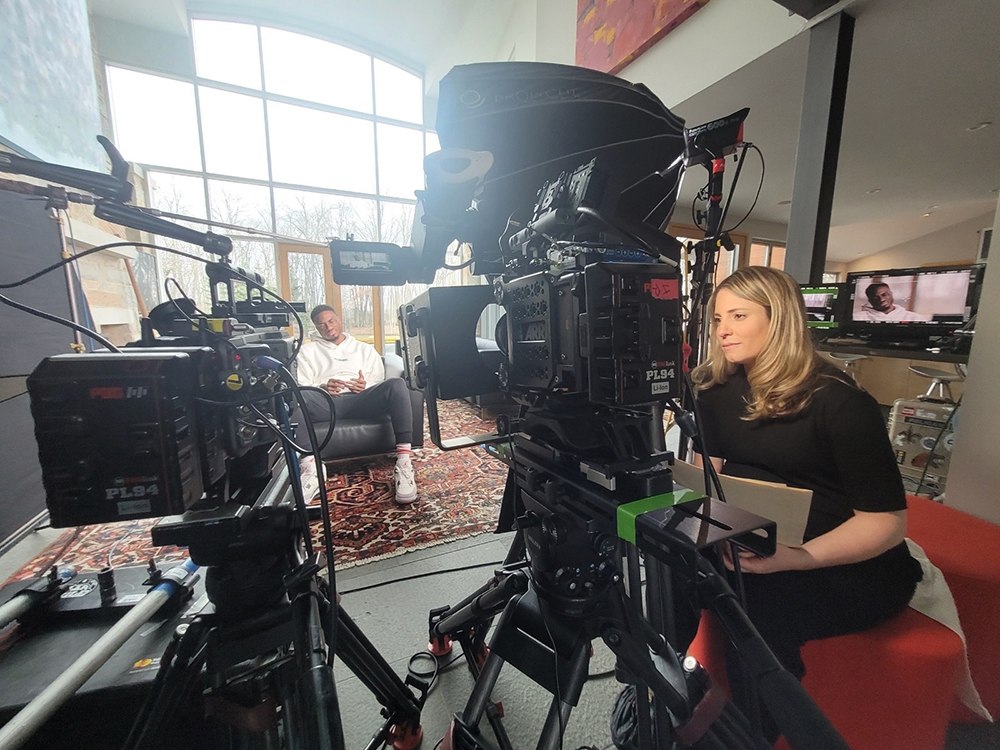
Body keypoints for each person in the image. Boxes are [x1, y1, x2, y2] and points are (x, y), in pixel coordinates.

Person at [690, 266, 922, 738]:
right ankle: (672, 701)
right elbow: (704, 477)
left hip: (846, 563)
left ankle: (756, 735)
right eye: (717, 319)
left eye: (738, 315)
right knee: (671, 572)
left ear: (779, 320)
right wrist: (708, 534)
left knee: (754, 608)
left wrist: (794, 560)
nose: (722, 330)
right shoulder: (715, 390)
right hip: (753, 538)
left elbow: (884, 525)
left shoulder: (840, 403)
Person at [295, 304, 417, 505]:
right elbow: (302, 384)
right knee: (296, 397)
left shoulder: (364, 349)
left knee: (396, 384)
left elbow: (378, 380)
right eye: (321, 325)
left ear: (339, 320)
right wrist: (322, 387)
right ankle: (311, 468)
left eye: (331, 321)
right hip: (327, 403)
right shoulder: (306, 352)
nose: (328, 327)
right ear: (316, 328)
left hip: (361, 400)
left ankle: (403, 461)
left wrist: (365, 385)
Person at [860, 282, 931, 321]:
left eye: (884, 295)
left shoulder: (915, 318)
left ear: (891, 294)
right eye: (876, 298)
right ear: (870, 300)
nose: (881, 300)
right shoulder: (858, 317)